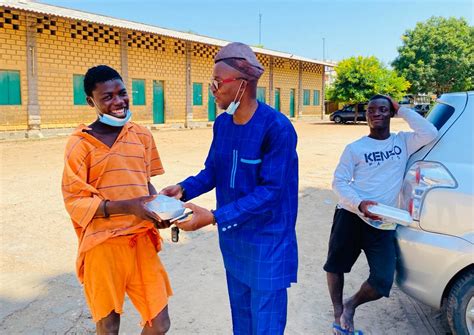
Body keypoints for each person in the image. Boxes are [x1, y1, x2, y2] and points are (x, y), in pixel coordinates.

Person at [160, 42, 299, 335]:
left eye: (217, 82)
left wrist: (213, 217)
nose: (212, 89)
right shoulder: (222, 124)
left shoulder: (277, 128)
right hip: (234, 242)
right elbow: (213, 171)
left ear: (242, 85)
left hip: (267, 244)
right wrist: (183, 190)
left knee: (266, 326)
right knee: (242, 323)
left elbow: (271, 192)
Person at [61, 65, 172, 335]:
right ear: (91, 102)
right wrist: (129, 207)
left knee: (159, 323)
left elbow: (144, 181)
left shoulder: (142, 135)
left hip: (140, 240)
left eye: (122, 93)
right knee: (109, 327)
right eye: (107, 97)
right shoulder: (81, 144)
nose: (118, 102)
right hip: (102, 245)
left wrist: (158, 210)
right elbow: (75, 200)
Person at [324, 94, 438, 334]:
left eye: (383, 109)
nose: (376, 113)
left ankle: (351, 305)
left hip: (383, 222)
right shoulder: (355, 148)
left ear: (390, 113)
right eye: (371, 110)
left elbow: (431, 133)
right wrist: (359, 203)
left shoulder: (402, 142)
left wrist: (402, 110)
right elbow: (339, 182)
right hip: (351, 215)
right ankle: (338, 316)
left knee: (383, 281)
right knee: (336, 266)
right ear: (366, 115)